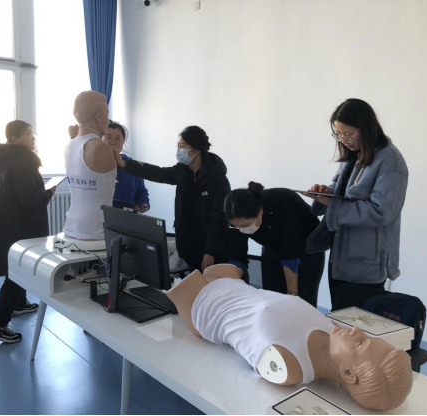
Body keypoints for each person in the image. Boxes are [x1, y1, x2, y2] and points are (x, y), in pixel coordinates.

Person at [166, 264, 413, 411]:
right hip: (231, 283)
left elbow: (235, 337)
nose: (356, 331)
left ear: (349, 373)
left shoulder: (288, 366)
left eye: (360, 344)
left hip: (203, 306)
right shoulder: (334, 332)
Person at [305, 99, 409, 305]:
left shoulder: (390, 160)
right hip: (341, 255)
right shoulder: (354, 154)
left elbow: (380, 212)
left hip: (368, 262)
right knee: (338, 316)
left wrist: (332, 205)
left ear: (366, 129)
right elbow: (342, 191)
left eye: (348, 134)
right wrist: (326, 193)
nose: (343, 140)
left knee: (356, 321)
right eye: (338, 134)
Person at [113, 126, 230, 272]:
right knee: (190, 278)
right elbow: (157, 172)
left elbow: (219, 219)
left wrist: (211, 251)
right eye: (177, 145)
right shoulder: (182, 171)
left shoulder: (217, 179)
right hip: (188, 241)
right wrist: (125, 164)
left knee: (209, 279)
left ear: (196, 149)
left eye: (182, 145)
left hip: (210, 247)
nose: (179, 149)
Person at [0, 121, 56, 344]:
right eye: (28, 134)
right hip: (20, 229)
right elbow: (30, 201)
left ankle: (20, 304)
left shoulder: (1, 159)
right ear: (14, 138)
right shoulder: (22, 161)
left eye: (33, 133)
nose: (32, 137)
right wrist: (49, 192)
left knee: (16, 268)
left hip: (6, 226)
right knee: (17, 273)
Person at [225, 183, 325, 308]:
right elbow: (238, 256)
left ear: (260, 211)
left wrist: (292, 294)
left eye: (245, 225)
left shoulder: (285, 201)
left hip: (305, 251)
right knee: (272, 299)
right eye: (236, 226)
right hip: (271, 249)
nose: (241, 229)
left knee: (302, 303)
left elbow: (290, 253)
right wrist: (231, 285)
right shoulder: (234, 216)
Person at [63, 91, 117, 240]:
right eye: (107, 114)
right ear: (99, 116)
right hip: (96, 231)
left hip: (72, 226)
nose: (108, 120)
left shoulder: (69, 146)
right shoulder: (101, 147)